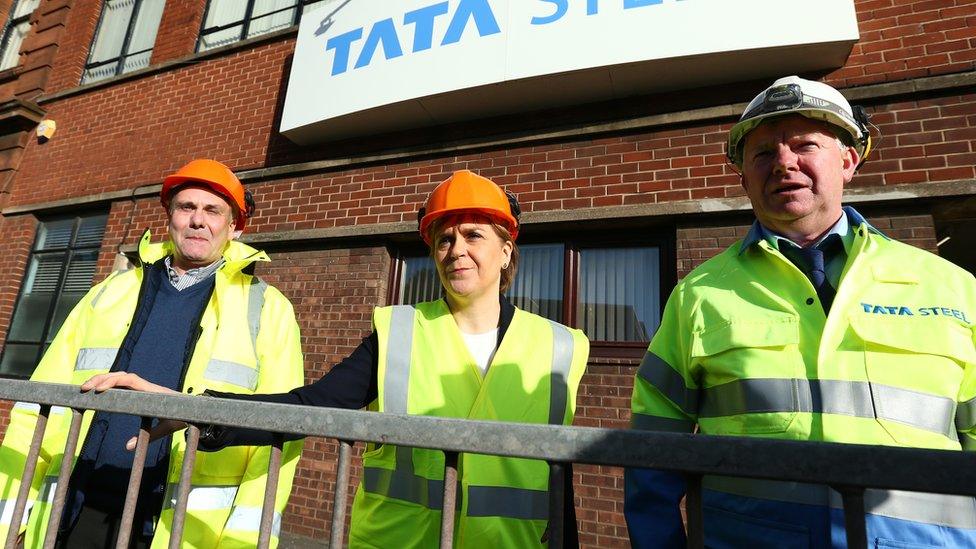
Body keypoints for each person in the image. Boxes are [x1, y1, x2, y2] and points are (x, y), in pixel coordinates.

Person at [85, 169, 590, 548]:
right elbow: (310, 404)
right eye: (444, 239)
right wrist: (196, 410)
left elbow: (558, 474)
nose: (456, 249)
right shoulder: (398, 330)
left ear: (506, 250)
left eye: (474, 235)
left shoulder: (561, 346)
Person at [625, 75, 976, 548]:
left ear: (848, 161)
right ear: (743, 175)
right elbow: (652, 450)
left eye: (805, 145)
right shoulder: (698, 294)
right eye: (764, 152)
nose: (784, 163)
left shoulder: (951, 286)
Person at [0, 159, 305, 548]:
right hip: (76, 508)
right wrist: (9, 518)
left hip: (184, 529)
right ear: (169, 217)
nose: (197, 220)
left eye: (212, 211)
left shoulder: (268, 309)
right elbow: (37, 407)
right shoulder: (110, 292)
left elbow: (279, 433)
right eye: (186, 207)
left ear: (235, 227)